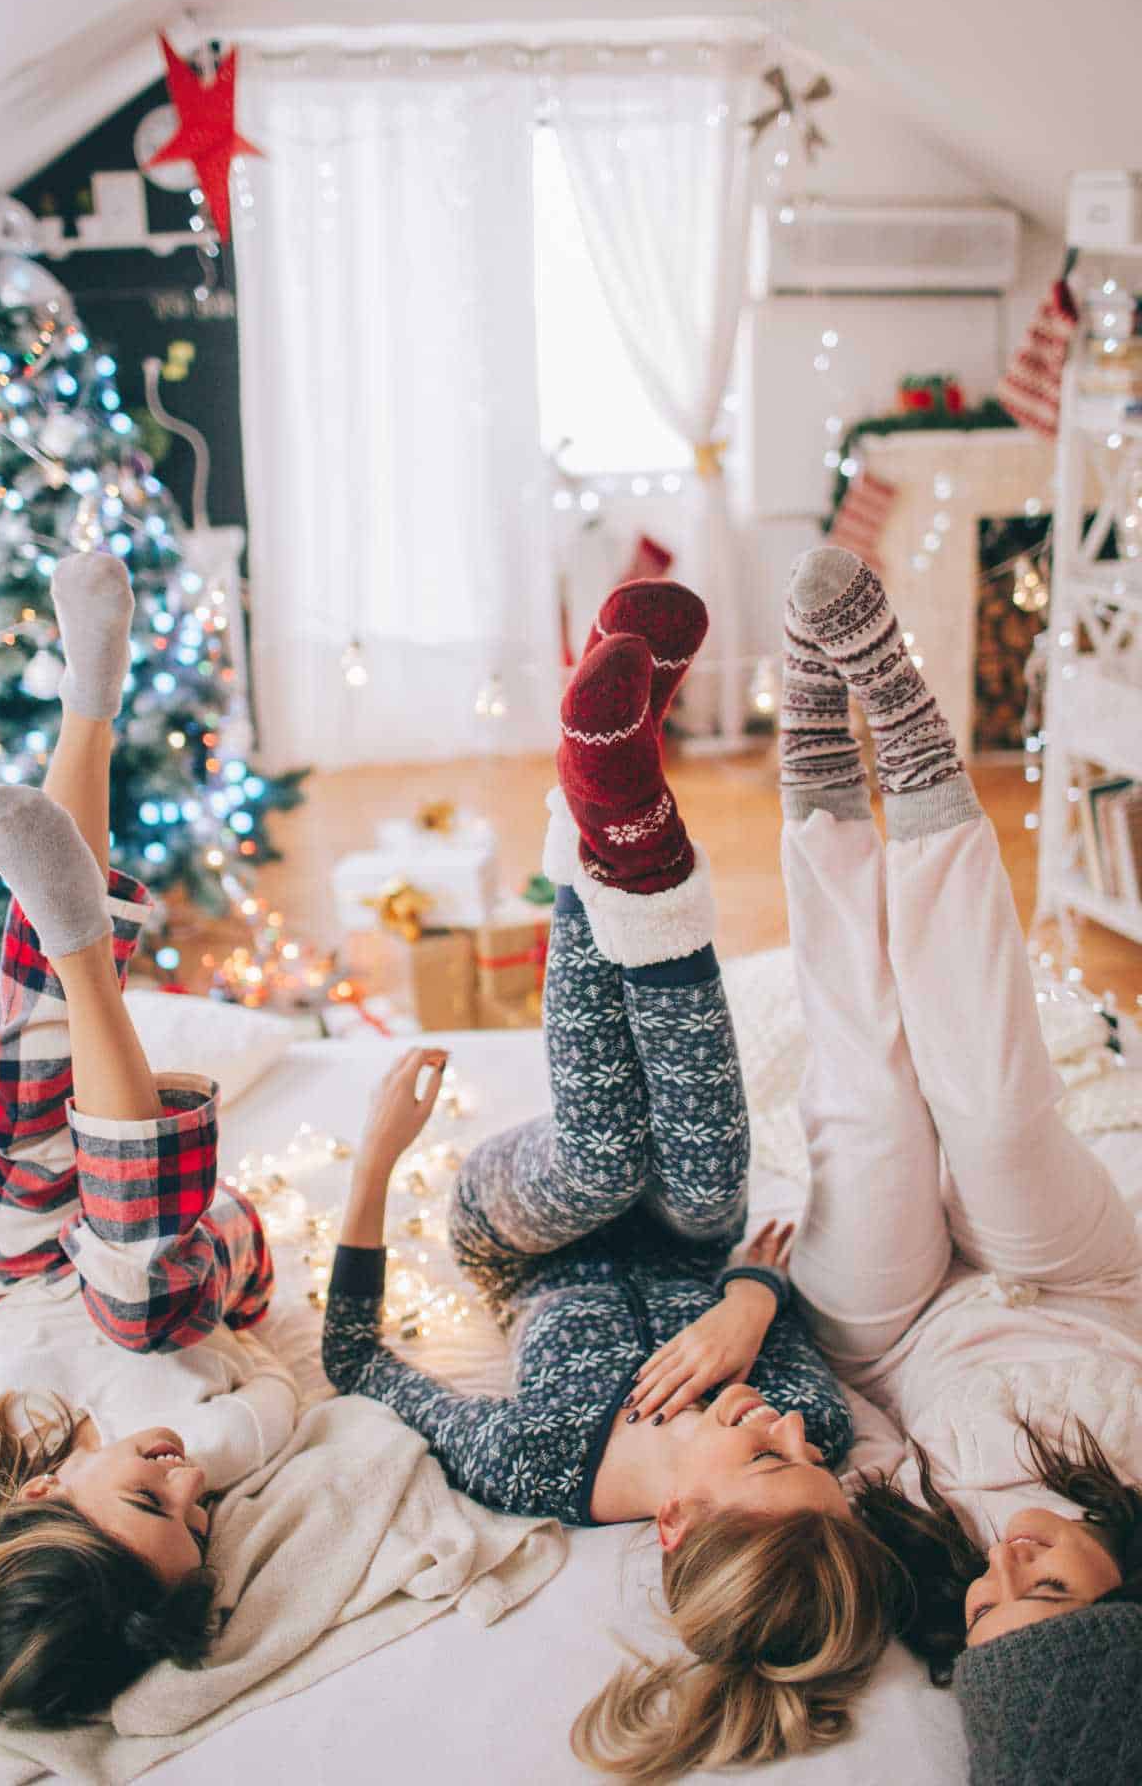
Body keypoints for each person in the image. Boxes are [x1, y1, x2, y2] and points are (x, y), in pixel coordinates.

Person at [322, 581, 909, 1780]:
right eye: (815, 1461)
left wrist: (376, 1163)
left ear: (679, 1521)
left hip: (523, 1236)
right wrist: (751, 1301)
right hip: (688, 1237)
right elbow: (758, 1266)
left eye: (769, 1461)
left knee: (606, 1155)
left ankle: (594, 815)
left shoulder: (538, 1462)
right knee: (702, 1176)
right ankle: (622, 817)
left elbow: (355, 1363)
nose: (797, 1431)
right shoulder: (821, 1421)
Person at [770, 545, 1142, 1783]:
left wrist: (767, 1307)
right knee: (991, 1112)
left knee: (875, 1117)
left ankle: (820, 785)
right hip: (1082, 1281)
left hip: (897, 1328)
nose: (1006, 1564)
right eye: (1045, 1587)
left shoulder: (927, 1563)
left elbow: (843, 1429)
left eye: (990, 1606)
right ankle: (920, 756)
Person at [0, 553, 297, 1727]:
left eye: (155, 1505)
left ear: (45, 1498)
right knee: (134, 1299)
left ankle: (87, 710)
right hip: (194, 1260)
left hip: (25, 1267)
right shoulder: (218, 1440)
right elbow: (270, 1411)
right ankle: (79, 941)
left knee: (25, 1054)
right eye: (198, 1525)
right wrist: (189, 1484)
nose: (189, 1487)